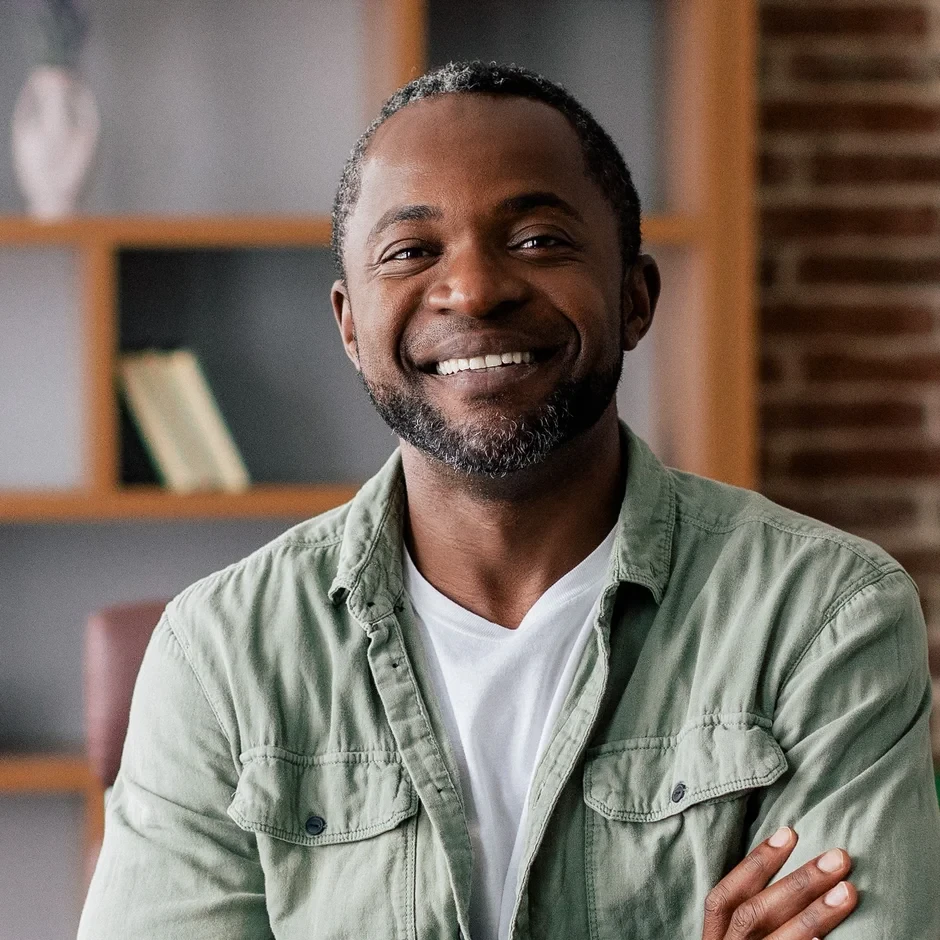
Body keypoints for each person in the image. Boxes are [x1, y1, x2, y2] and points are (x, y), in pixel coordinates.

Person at [79, 61, 940, 940]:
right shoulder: (219, 655)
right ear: (349, 324)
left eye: (536, 240)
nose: (475, 290)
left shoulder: (823, 617)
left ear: (636, 298)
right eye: (412, 252)